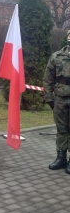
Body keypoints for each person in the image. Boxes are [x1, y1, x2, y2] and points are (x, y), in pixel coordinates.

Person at [43, 30, 70, 174]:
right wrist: (49, 98)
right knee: (61, 129)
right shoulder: (56, 56)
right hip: (60, 98)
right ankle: (61, 158)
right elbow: (48, 79)